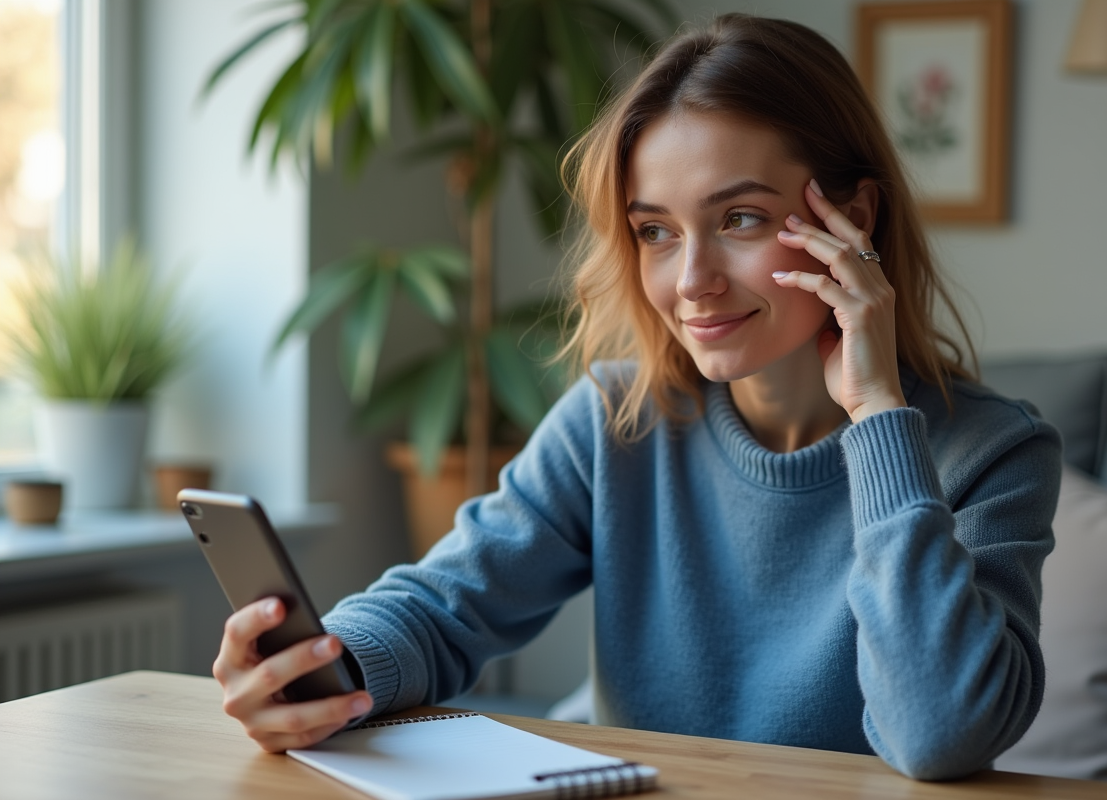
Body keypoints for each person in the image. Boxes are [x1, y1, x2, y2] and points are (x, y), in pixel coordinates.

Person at [213, 13, 1060, 780]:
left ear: (853, 219)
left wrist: (878, 414)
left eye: (740, 220)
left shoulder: (992, 452)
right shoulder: (617, 418)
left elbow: (941, 731)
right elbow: (445, 605)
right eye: (656, 231)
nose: (690, 282)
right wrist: (322, 671)